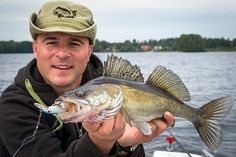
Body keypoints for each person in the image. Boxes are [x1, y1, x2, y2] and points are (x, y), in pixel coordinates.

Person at [0, 0, 174, 156]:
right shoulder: (12, 108)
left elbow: (129, 148)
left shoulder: (109, 91)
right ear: (36, 48)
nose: (62, 53)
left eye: (74, 43)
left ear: (90, 50)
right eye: (51, 42)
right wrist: (100, 143)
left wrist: (128, 144)